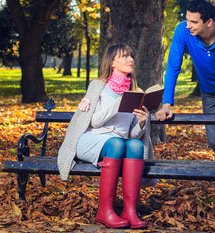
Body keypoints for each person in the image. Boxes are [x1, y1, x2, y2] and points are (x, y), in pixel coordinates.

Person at [57, 43, 156, 229]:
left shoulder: (135, 92)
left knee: (135, 145)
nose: (130, 59)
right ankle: (105, 211)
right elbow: (92, 122)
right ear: (112, 63)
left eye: (131, 56)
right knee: (117, 144)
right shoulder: (98, 87)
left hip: (117, 142)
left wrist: (142, 123)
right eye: (124, 56)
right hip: (90, 140)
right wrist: (117, 103)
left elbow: (131, 134)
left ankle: (130, 211)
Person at [156, 0, 215, 190]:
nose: (188, 25)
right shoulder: (183, 30)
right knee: (214, 140)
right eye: (187, 19)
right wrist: (166, 104)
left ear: (208, 22)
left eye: (193, 21)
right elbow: (173, 67)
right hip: (210, 91)